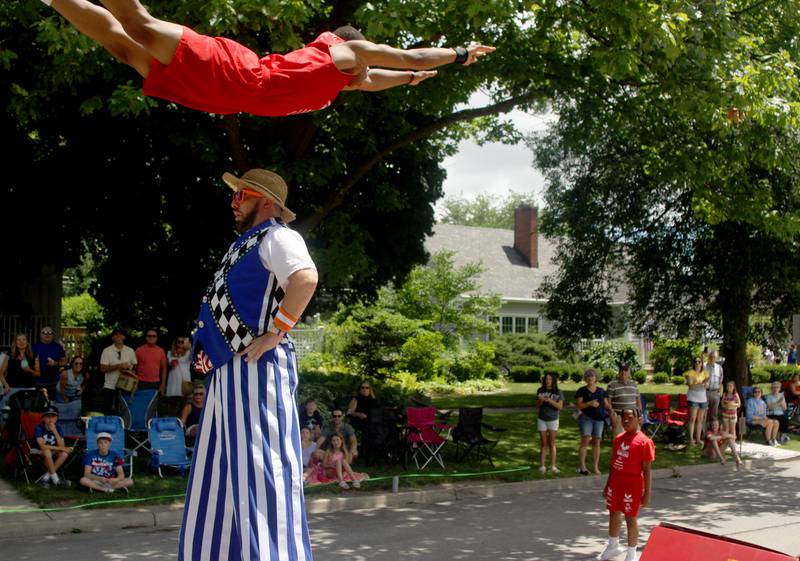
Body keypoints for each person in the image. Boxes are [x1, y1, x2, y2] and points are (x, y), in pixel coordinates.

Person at [179, 168, 318, 561]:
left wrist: (276, 333)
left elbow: (305, 279)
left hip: (258, 368)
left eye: (242, 194)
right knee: (218, 480)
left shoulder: (278, 235)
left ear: (268, 202)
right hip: (230, 372)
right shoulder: (246, 243)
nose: (234, 200)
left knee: (263, 476)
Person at [45, 0, 494, 117]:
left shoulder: (342, 81)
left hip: (219, 97)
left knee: (124, 49)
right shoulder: (342, 52)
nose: (364, 72)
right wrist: (459, 53)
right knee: (139, 26)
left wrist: (408, 82)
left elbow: (379, 79)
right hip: (234, 72)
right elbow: (406, 57)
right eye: (363, 63)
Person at [598, 408, 655, 561]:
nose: (626, 421)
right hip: (616, 483)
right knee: (613, 512)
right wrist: (607, 485)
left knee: (630, 518)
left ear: (639, 419)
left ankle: (631, 554)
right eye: (623, 418)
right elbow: (613, 465)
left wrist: (647, 493)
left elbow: (647, 469)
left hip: (632, 485)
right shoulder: (618, 439)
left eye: (630, 417)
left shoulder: (644, 442)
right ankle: (613, 546)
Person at [99, 328, 137, 414]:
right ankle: (107, 427)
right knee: (108, 412)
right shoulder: (107, 350)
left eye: (121, 334)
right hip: (110, 386)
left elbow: (135, 366)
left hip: (126, 386)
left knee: (124, 412)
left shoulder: (130, 350)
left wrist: (128, 369)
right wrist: (118, 366)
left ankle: (123, 427)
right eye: (116, 334)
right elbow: (103, 368)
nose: (118, 336)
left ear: (124, 337)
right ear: (112, 337)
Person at [34, 405, 74, 487]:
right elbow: (42, 446)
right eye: (48, 417)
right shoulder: (39, 428)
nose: (50, 419)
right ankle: (56, 480)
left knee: (64, 454)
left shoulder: (59, 428)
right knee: (47, 451)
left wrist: (54, 431)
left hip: (54, 451)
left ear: (56, 418)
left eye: (53, 417)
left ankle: (46, 478)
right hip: (38, 450)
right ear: (43, 418)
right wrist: (62, 448)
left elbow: (62, 445)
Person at [575, 368, 606, 475]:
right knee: (585, 441)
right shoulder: (582, 390)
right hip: (586, 418)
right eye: (588, 376)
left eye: (592, 376)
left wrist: (612, 412)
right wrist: (589, 403)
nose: (590, 378)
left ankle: (595, 467)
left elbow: (606, 404)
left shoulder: (601, 391)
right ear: (585, 378)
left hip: (599, 420)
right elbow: (578, 405)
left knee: (597, 442)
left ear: (595, 378)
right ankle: (583, 467)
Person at [536, 372, 564, 474]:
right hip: (542, 419)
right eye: (546, 379)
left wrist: (550, 401)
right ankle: (542, 466)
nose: (548, 381)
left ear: (553, 381)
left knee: (552, 443)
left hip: (553, 419)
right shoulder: (540, 390)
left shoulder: (558, 392)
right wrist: (541, 401)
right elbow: (538, 405)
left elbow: (560, 407)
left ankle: (553, 466)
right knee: (543, 444)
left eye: (550, 379)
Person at [32, 326, 66, 401]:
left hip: (54, 381)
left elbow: (64, 361)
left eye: (50, 333)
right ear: (40, 335)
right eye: (44, 332)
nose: (47, 334)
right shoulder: (34, 347)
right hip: (38, 382)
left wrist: (55, 363)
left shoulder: (58, 347)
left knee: (55, 404)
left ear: (53, 335)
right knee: (39, 405)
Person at [605, 364, 640, 436]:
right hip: (619, 417)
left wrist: (640, 415)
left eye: (626, 370)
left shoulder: (634, 384)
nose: (623, 372)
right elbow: (608, 403)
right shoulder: (612, 384)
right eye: (621, 370)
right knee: (620, 442)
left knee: (634, 442)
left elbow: (638, 401)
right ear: (619, 372)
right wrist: (612, 416)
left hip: (633, 417)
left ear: (629, 372)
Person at [684, 356, 709, 446]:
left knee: (700, 420)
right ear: (693, 363)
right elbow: (690, 386)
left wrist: (700, 385)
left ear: (702, 363)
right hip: (693, 397)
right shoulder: (690, 372)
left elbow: (706, 386)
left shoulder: (705, 373)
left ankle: (698, 439)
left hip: (703, 398)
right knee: (692, 418)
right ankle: (691, 439)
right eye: (696, 361)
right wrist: (701, 384)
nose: (697, 363)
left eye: (699, 361)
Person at [165, 335, 193, 415]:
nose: (180, 343)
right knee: (172, 407)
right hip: (173, 384)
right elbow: (170, 365)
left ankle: (183, 423)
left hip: (184, 383)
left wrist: (190, 347)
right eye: (179, 341)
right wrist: (174, 360)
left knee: (185, 406)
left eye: (182, 342)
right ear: (175, 343)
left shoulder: (188, 353)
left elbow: (195, 358)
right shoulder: (170, 353)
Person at [135, 328, 167, 393]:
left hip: (156, 383)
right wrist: (134, 383)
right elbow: (134, 368)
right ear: (146, 337)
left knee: (154, 403)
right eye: (149, 336)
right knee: (142, 402)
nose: (152, 337)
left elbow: (164, 368)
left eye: (154, 336)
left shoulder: (161, 351)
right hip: (141, 382)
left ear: (157, 338)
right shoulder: (139, 350)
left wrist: (163, 384)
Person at [704, 351, 724, 422]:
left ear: (716, 358)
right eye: (711, 356)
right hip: (705, 392)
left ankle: (713, 431)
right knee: (704, 413)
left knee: (714, 413)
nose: (712, 358)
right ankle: (704, 431)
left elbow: (721, 380)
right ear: (708, 357)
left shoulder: (719, 368)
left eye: (714, 357)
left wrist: (719, 391)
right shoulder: (704, 366)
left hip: (715, 393)